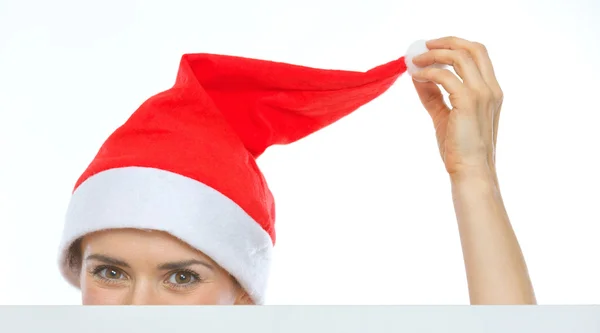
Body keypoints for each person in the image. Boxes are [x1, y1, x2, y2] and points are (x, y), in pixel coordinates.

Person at [58, 36, 536, 305]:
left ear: (243, 295)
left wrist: (473, 175)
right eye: (111, 273)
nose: (139, 312)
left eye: (180, 278)